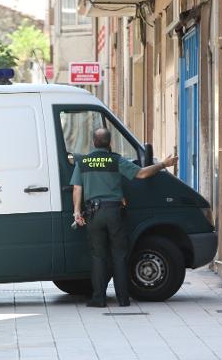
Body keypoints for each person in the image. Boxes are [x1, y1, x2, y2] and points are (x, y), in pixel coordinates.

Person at [70, 128, 178, 307]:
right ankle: (123, 298)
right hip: (114, 212)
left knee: (98, 257)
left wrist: (76, 212)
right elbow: (142, 173)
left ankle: (99, 298)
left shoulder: (83, 162)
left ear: (93, 143)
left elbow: (77, 188)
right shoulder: (116, 160)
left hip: (93, 214)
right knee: (119, 256)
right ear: (109, 143)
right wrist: (163, 165)